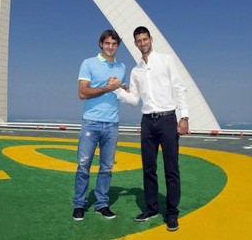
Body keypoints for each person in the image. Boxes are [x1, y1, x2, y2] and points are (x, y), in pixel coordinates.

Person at [112, 26, 189, 232]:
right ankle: (152, 208)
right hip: (147, 122)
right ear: (135, 43)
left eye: (145, 39)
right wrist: (117, 90)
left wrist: (185, 116)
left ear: (151, 40)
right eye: (139, 40)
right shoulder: (136, 71)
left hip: (167, 120)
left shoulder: (166, 60)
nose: (142, 43)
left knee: (171, 169)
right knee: (148, 168)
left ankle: (172, 214)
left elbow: (180, 88)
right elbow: (134, 99)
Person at [72, 29, 126, 221]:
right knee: (83, 166)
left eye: (114, 44)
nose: (110, 47)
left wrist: (122, 87)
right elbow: (82, 93)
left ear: (118, 46)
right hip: (91, 122)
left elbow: (123, 90)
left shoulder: (122, 67)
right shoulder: (88, 63)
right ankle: (79, 204)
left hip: (112, 124)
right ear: (100, 44)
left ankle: (101, 204)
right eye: (107, 43)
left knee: (106, 168)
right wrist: (106, 88)